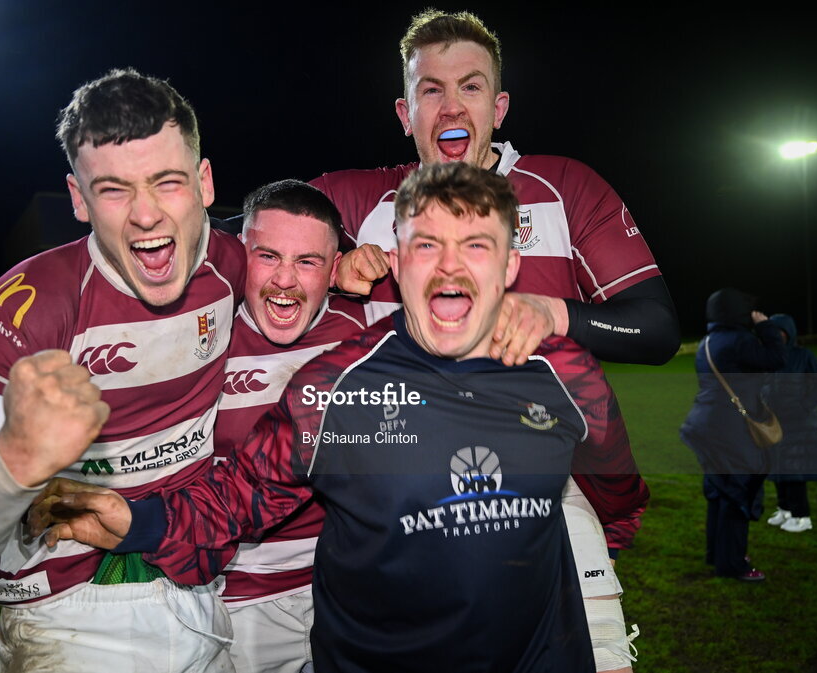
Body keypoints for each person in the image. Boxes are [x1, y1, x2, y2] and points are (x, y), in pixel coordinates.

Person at [28, 163, 640, 672]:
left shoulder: (565, 371)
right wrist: (134, 519)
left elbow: (614, 490)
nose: (451, 268)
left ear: (509, 269)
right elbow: (239, 499)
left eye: (476, 246)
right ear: (397, 262)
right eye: (427, 245)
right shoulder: (338, 386)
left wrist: (582, 566)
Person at [310, 10, 674, 670]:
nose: (451, 104)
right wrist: (320, 264)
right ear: (404, 109)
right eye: (430, 89)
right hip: (390, 494)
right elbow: (226, 242)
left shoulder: (562, 187)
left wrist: (555, 312)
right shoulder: (353, 200)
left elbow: (655, 328)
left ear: (498, 105)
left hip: (546, 491)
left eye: (470, 87)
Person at [0, 67, 246, 672]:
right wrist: (13, 461)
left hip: (204, 596)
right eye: (114, 190)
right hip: (68, 621)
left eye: (167, 182)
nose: (145, 215)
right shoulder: (22, 310)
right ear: (77, 199)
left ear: (204, 181)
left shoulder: (239, 265)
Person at [215, 180, 366, 672]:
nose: (285, 280)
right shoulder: (201, 342)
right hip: (236, 605)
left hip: (347, 596)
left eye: (307, 261)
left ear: (334, 270)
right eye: (268, 256)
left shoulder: (357, 339)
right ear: (240, 254)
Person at [680, 288, 786, 581]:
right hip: (728, 429)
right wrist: (765, 326)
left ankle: (718, 554)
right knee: (737, 493)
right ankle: (732, 564)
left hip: (705, 425)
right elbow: (777, 360)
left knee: (720, 491)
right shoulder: (739, 340)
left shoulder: (708, 341)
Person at [763, 313, 817, 533]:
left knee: (794, 471)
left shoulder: (804, 356)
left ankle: (802, 516)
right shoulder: (768, 357)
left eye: (781, 332)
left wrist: (803, 406)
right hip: (774, 423)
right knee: (777, 467)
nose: (778, 337)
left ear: (789, 334)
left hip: (800, 424)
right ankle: (785, 510)